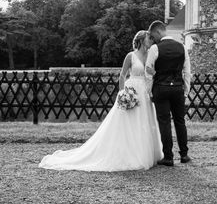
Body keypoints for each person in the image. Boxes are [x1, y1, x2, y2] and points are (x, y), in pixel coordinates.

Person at [39, 31, 164, 171]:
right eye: (149, 38)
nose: (151, 40)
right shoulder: (131, 56)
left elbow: (152, 73)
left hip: (145, 92)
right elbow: (122, 76)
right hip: (132, 90)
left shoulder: (151, 55)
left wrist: (153, 77)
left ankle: (145, 153)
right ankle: (128, 154)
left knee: (144, 123)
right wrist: (122, 93)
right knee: (129, 123)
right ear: (141, 40)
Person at [145, 20, 191, 166]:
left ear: (158, 31)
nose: (153, 39)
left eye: (153, 36)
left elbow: (148, 72)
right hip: (177, 88)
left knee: (164, 123)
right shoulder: (182, 47)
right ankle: (184, 155)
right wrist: (186, 90)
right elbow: (187, 72)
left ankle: (168, 157)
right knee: (180, 121)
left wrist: (149, 91)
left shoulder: (155, 49)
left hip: (161, 88)